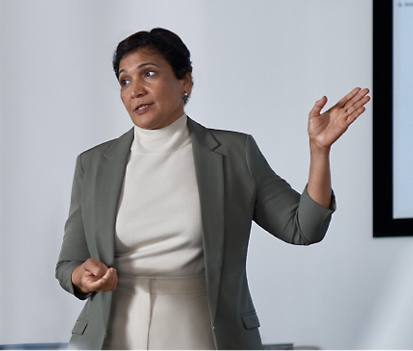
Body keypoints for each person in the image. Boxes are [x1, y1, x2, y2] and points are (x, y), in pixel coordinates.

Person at [55, 28, 370, 350]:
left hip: (204, 331)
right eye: (124, 81)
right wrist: (81, 276)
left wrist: (319, 150)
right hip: (111, 332)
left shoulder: (235, 152)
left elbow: (303, 228)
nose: (135, 90)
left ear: (185, 82)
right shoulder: (93, 164)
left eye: (148, 74)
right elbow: (68, 264)